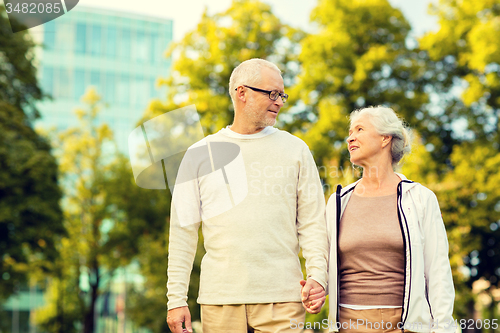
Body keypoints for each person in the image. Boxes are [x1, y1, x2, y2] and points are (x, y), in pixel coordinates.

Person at [166, 58, 328, 333]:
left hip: (283, 299)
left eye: (282, 95)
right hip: (220, 300)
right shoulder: (199, 154)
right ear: (242, 93)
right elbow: (183, 232)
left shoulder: (296, 150)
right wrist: (176, 299)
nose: (279, 101)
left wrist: (318, 277)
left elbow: (313, 222)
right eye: (272, 93)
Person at [315, 106, 455, 332]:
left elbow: (438, 272)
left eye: (359, 129)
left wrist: (443, 328)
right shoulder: (338, 201)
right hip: (348, 325)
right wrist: (316, 285)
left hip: (403, 326)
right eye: (349, 132)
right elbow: (324, 262)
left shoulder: (420, 199)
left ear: (385, 138)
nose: (350, 138)